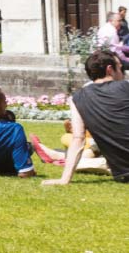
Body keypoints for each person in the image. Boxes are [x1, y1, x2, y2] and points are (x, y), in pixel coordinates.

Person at [42, 49, 129, 185]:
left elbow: (78, 139)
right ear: (110, 69)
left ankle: (60, 157)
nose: (122, 73)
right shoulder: (125, 87)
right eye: (120, 68)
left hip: (123, 174)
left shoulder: (77, 98)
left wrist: (64, 179)